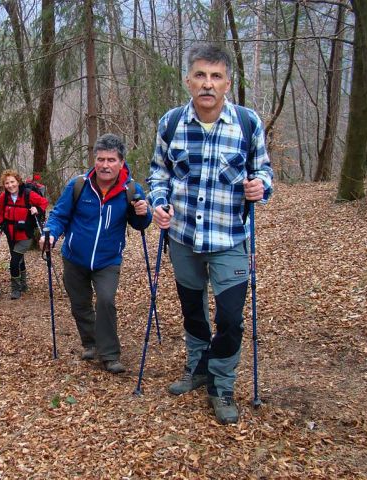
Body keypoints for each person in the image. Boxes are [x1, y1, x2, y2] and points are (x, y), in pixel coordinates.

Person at [147, 44, 273, 424]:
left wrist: (260, 187)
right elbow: (158, 172)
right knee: (192, 311)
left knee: (231, 318)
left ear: (227, 83)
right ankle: (198, 366)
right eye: (200, 75)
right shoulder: (171, 123)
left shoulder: (247, 123)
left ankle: (222, 383)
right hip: (183, 237)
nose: (207, 84)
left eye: (216, 76)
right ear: (188, 80)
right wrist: (158, 200)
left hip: (230, 239)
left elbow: (264, 173)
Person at [40, 134, 152, 374]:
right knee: (80, 304)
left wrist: (144, 213)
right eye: (101, 159)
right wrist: (50, 233)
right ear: (95, 160)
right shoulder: (79, 185)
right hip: (74, 257)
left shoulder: (130, 189)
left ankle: (110, 355)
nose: (105, 165)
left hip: (107, 260)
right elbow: (59, 215)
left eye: (111, 160)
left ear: (121, 162)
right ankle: (90, 343)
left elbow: (139, 225)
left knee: (106, 301)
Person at [0, 169, 49, 300]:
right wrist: (2, 226)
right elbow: (1, 214)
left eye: (12, 182)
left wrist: (36, 209)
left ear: (18, 181)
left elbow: (44, 202)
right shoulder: (3, 197)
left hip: (26, 233)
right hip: (10, 233)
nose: (10, 185)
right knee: (19, 259)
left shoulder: (28, 194)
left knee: (14, 262)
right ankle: (24, 284)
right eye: (7, 183)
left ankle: (16, 289)